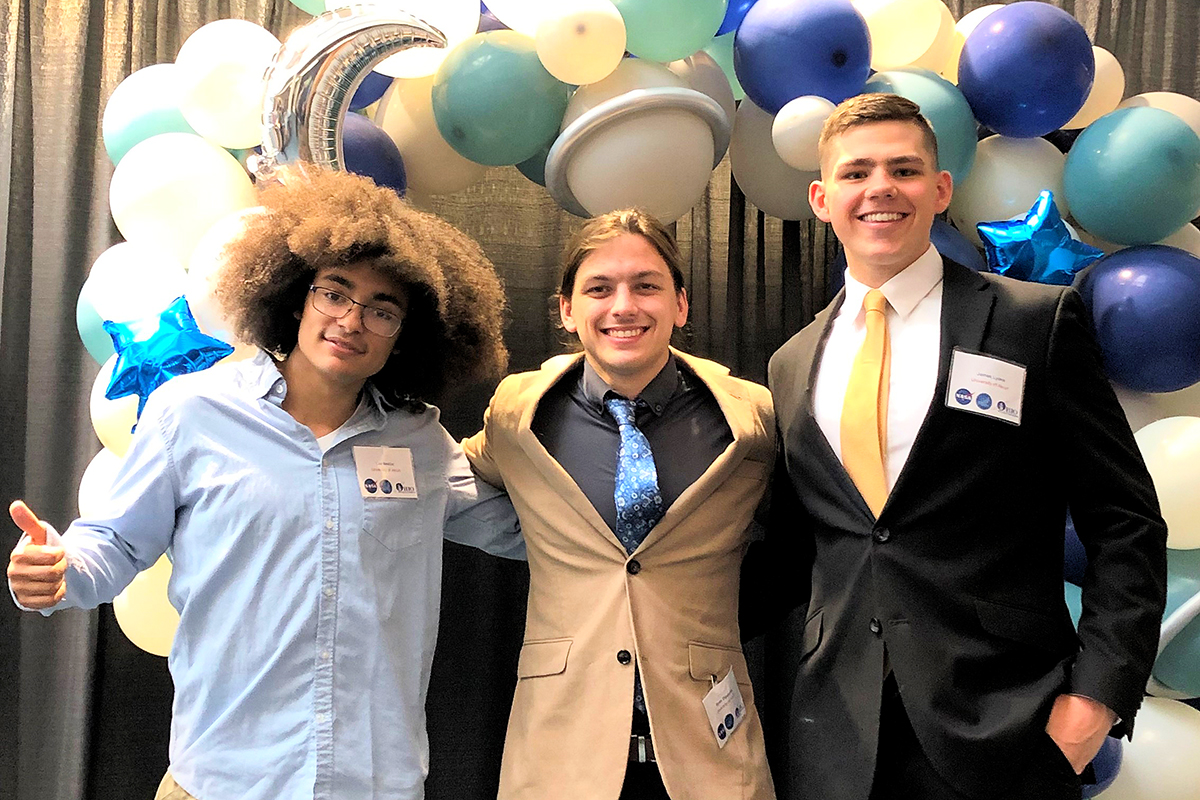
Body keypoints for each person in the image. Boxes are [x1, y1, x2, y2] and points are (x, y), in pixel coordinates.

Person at [7, 168, 524, 800]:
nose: (352, 320)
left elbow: (530, 532)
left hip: (373, 784)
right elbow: (112, 542)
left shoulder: (418, 443)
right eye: (335, 292)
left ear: (407, 337)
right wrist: (61, 570)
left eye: (382, 310)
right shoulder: (190, 414)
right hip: (220, 780)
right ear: (295, 294)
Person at [763, 93, 1168, 800]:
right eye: (857, 173)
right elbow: (806, 548)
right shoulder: (791, 363)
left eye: (904, 169)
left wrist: (1097, 698)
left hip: (1007, 727)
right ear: (823, 198)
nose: (880, 188)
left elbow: (1125, 521)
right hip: (836, 738)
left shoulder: (1032, 323)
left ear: (941, 188)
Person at [462, 209, 776, 800]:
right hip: (561, 746)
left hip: (708, 749)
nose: (623, 306)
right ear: (566, 309)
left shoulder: (750, 419)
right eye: (599, 289)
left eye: (646, 285)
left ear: (681, 305)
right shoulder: (517, 414)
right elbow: (449, 481)